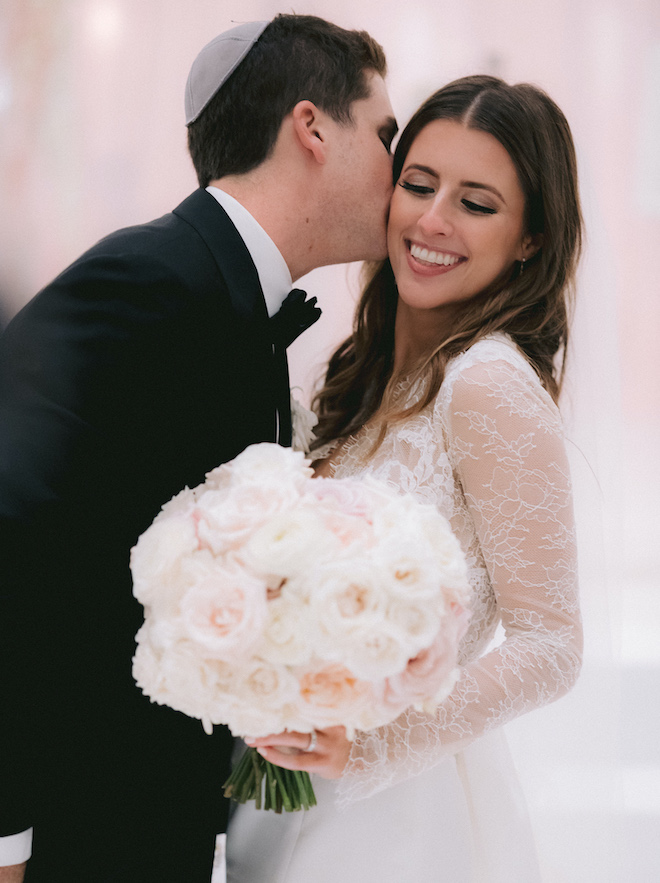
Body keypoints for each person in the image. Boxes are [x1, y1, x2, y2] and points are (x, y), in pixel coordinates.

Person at [0, 14, 397, 883]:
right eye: (386, 133)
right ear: (312, 129)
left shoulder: (232, 302)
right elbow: (13, 545)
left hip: (158, 829)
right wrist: (8, 833)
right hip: (72, 833)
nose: (400, 172)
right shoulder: (143, 279)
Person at [225, 75, 584, 882]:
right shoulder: (364, 370)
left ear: (529, 239)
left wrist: (372, 744)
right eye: (419, 185)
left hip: (402, 819)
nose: (432, 220)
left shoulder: (486, 381)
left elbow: (553, 641)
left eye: (478, 203)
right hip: (301, 782)